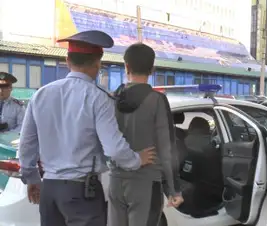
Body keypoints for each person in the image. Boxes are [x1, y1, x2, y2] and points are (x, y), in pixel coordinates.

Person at [18, 30, 156, 226]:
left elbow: (26, 145)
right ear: (98, 63)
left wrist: (32, 178)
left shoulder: (41, 95)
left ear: (67, 60)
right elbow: (114, 149)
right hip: (82, 194)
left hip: (49, 189)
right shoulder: (98, 98)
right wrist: (136, 160)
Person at [108, 43, 184, 226]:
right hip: (146, 184)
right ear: (152, 69)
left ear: (126, 66)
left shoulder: (111, 98)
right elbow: (166, 148)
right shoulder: (156, 100)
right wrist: (174, 190)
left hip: (116, 182)